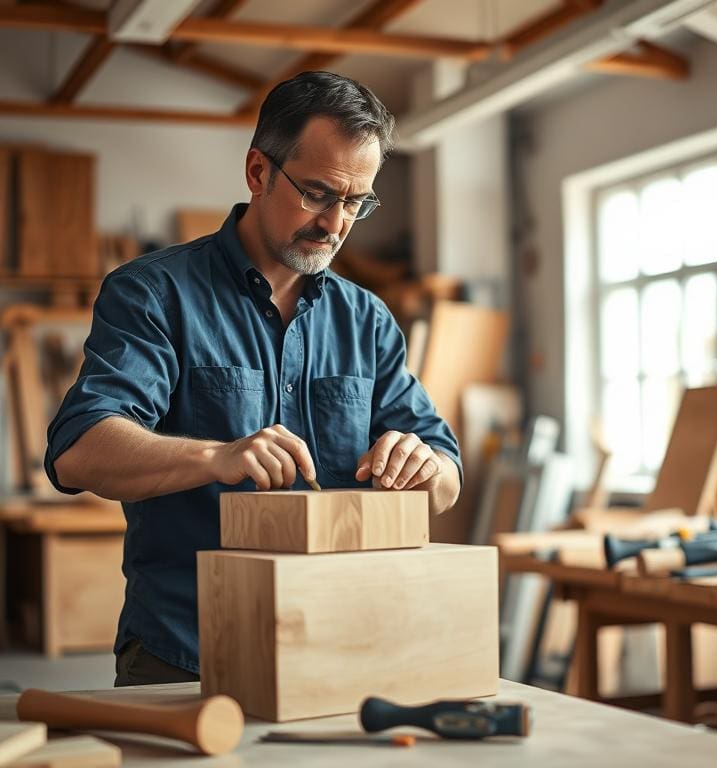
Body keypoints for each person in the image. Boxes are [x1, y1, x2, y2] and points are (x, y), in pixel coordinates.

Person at [44, 71, 462, 687]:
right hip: (188, 653)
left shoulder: (367, 319)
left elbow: (446, 482)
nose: (336, 224)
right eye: (318, 194)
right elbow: (79, 451)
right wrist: (217, 456)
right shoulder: (154, 294)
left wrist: (425, 466)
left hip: (341, 646)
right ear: (259, 171)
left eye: (356, 202)